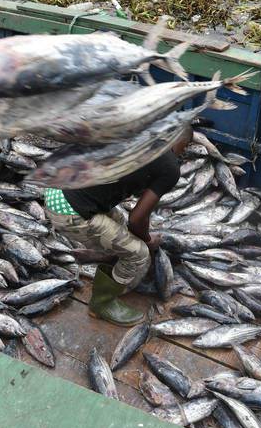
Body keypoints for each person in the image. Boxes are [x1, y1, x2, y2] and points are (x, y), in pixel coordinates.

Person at [44, 130, 193, 327]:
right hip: (68, 211)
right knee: (138, 254)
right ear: (185, 145)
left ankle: (113, 263)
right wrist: (148, 241)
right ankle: (101, 304)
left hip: (56, 188)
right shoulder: (170, 168)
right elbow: (137, 219)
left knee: (120, 226)